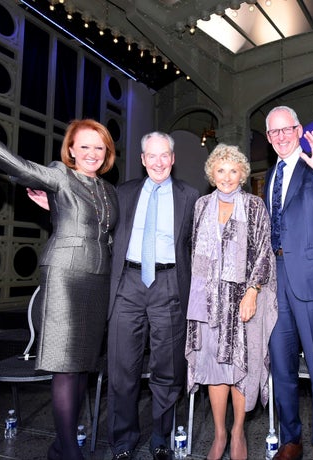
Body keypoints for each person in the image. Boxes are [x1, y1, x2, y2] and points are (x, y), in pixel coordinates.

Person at [0, 104, 119, 460]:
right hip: (65, 275)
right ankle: (71, 452)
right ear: (71, 149)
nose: (92, 153)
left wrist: (57, 210)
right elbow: (22, 168)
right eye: (85, 146)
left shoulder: (107, 189)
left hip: (98, 279)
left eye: (99, 147)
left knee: (82, 366)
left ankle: (61, 445)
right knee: (64, 364)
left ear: (107, 153)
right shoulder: (60, 174)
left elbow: (96, 229)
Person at [106, 132, 199, 460]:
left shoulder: (190, 196)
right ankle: (122, 441)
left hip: (169, 285)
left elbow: (198, 247)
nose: (158, 162)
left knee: (167, 370)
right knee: (121, 369)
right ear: (143, 159)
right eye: (152, 156)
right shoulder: (123, 193)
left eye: (165, 156)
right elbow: (97, 223)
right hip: (127, 285)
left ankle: (161, 438)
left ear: (172, 159)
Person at [185, 144, 278, 460]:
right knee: (214, 367)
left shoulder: (254, 206)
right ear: (212, 174)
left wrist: (252, 291)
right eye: (221, 170)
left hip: (242, 301)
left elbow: (264, 251)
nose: (227, 176)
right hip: (207, 302)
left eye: (233, 170)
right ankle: (219, 434)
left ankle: (238, 430)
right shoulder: (201, 205)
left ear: (242, 175)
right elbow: (194, 252)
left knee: (240, 365)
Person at [264, 106, 313, 460]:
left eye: (287, 130)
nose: (281, 137)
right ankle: (290, 438)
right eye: (274, 132)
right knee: (282, 365)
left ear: (299, 130)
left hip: (311, 278)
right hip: (275, 279)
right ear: (268, 138)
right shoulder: (269, 174)